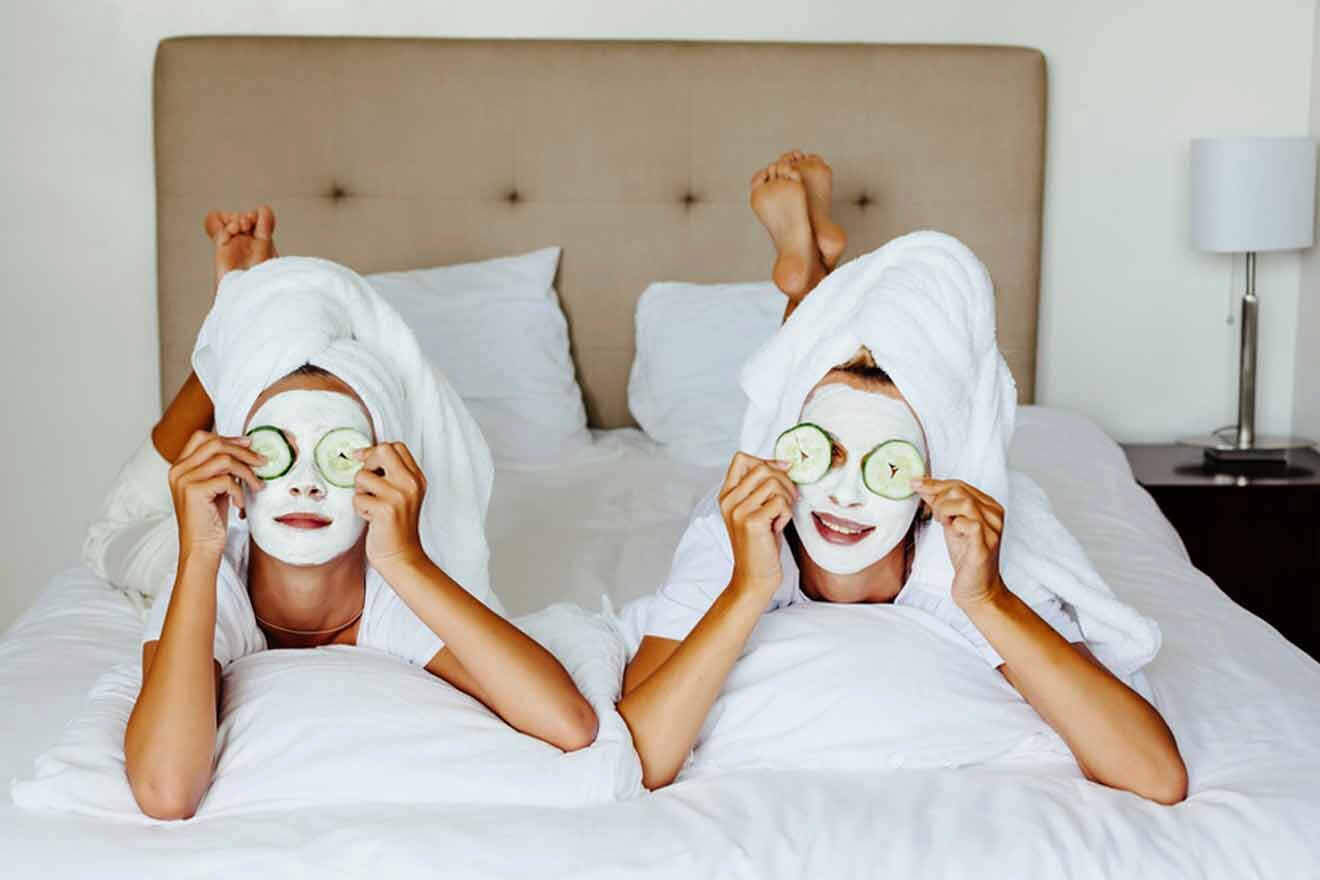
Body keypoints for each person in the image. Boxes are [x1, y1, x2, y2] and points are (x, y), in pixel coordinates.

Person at [616, 152, 1188, 804]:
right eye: (819, 451)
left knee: (846, 384)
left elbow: (1155, 775)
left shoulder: (969, 551)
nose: (846, 494)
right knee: (813, 378)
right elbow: (640, 757)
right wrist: (748, 587)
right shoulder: (740, 528)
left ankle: (810, 278)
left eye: (885, 464)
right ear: (782, 455)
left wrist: (989, 600)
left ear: (932, 480)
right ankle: (810, 279)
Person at [95, 209, 597, 821]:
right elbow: (165, 792)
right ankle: (241, 306)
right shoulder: (210, 565)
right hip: (164, 535)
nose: (305, 486)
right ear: (241, 466)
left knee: (262, 361)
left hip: (356, 542)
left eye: (337, 453)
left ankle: (251, 310)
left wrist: (404, 559)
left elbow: (569, 726)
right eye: (277, 450)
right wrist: (199, 553)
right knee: (111, 533)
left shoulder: (394, 591)